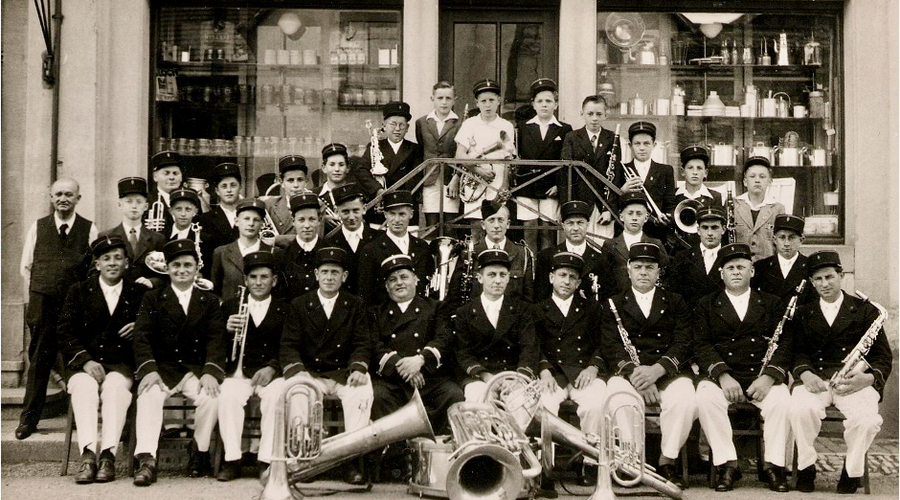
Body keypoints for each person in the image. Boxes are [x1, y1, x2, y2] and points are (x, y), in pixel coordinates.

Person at [789, 251, 893, 494]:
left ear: (841, 275)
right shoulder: (804, 312)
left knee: (867, 420)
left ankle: (851, 470)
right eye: (818, 280)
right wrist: (805, 374)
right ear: (812, 283)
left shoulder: (866, 311)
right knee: (799, 409)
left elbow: (883, 356)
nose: (824, 284)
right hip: (816, 379)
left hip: (853, 381)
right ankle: (806, 467)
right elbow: (797, 352)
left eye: (829, 277)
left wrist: (868, 378)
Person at [693, 243, 793, 492]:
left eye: (741, 267)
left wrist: (770, 377)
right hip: (722, 376)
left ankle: (773, 466)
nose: (736, 271)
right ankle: (728, 463)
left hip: (761, 376)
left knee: (782, 402)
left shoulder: (771, 303)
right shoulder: (706, 304)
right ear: (721, 273)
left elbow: (786, 344)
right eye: (730, 267)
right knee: (705, 399)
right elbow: (701, 345)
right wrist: (723, 375)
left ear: (752, 271)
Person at [131, 239, 225, 486]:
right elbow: (141, 337)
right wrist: (149, 370)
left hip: (194, 370)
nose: (182, 270)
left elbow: (217, 340)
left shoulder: (210, 300)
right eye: (176, 265)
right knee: (148, 395)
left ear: (196, 269)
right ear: (167, 269)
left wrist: (210, 371)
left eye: (187, 265)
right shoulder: (152, 298)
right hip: (163, 369)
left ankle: (199, 451)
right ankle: (147, 460)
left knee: (212, 397)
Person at [600, 243, 695, 489]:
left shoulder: (677, 301)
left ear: (658, 272)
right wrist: (637, 376)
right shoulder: (613, 303)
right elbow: (611, 346)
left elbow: (684, 343)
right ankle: (632, 461)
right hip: (631, 373)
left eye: (649, 267)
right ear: (628, 270)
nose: (643, 272)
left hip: (666, 372)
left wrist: (656, 371)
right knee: (618, 397)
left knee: (685, 398)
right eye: (638, 267)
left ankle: (667, 459)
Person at [280, 246, 373, 485]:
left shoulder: (355, 304)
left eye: (335, 272)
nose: (329, 277)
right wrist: (298, 371)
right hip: (311, 372)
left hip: (344, 371)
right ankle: (305, 459)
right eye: (325, 271)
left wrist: (359, 368)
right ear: (316, 275)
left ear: (344, 277)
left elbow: (363, 341)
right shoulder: (300, 304)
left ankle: (351, 460)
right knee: (299, 392)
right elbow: (289, 345)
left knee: (362, 393)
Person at [57, 236, 145, 483]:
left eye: (118, 258)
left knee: (116, 389)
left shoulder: (138, 292)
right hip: (85, 363)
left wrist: (139, 326)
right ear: (97, 264)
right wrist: (84, 360)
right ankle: (87, 455)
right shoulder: (79, 291)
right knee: (84, 388)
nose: (112, 263)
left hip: (120, 364)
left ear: (127, 263)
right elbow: (64, 332)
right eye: (106, 258)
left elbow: (154, 329)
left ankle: (107, 455)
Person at [17, 178, 98, 440]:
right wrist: (40, 294)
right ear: (51, 197)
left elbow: (92, 271)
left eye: (69, 194)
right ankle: (29, 420)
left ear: (78, 198)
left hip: (74, 305)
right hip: (43, 303)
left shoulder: (89, 229)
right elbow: (26, 267)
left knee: (74, 356)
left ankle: (78, 416)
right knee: (40, 359)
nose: (63, 198)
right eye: (58, 194)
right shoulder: (38, 227)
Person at [533, 252, 606, 492]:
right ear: (551, 277)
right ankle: (545, 467)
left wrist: (594, 367)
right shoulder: (537, 309)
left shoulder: (592, 308)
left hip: (582, 372)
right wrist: (543, 369)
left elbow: (603, 344)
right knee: (542, 407)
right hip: (552, 374)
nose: (566, 281)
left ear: (578, 283)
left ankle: (590, 462)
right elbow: (533, 345)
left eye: (572, 277)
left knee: (596, 403)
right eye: (561, 275)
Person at [369, 254, 463, 435]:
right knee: (378, 396)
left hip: (429, 377)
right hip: (393, 380)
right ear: (387, 286)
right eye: (392, 280)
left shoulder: (436, 307)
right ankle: (394, 456)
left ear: (416, 279)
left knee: (453, 395)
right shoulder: (376, 312)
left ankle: (436, 453)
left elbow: (444, 339)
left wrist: (420, 361)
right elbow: (374, 345)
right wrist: (402, 367)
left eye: (404, 277)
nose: (399, 283)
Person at [216, 251, 286, 481]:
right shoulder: (229, 307)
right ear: (245, 280)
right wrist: (226, 332)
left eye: (264, 277)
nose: (258, 282)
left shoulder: (286, 308)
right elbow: (215, 345)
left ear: (273, 281)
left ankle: (265, 460)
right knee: (227, 396)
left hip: (271, 374)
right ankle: (232, 459)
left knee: (276, 398)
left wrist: (273, 367)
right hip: (239, 372)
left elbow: (290, 344)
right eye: (253, 277)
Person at [452, 249, 538, 403]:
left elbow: (529, 348)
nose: (497, 280)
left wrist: (518, 378)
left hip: (513, 376)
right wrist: (486, 377)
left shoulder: (522, 310)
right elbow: (463, 353)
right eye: (491, 275)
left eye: (502, 275)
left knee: (521, 402)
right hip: (479, 376)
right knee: (480, 398)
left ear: (508, 278)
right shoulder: (464, 312)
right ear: (480, 278)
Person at [514, 78, 572, 252]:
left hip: (550, 188)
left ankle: (546, 273)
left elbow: (566, 161)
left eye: (549, 101)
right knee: (529, 231)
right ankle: (529, 274)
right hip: (527, 185)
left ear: (556, 104)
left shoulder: (564, 129)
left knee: (548, 232)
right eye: (540, 101)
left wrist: (558, 185)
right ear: (533, 104)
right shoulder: (523, 127)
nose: (544, 105)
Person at [453, 79, 516, 235]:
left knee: (497, 226)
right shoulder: (469, 124)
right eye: (483, 101)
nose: (488, 105)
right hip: (474, 179)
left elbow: (509, 158)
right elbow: (459, 155)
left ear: (499, 101)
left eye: (491, 100)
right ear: (477, 103)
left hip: (498, 179)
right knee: (477, 228)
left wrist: (505, 185)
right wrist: (478, 170)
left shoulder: (506, 125)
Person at [447, 200, 534, 309]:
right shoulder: (469, 253)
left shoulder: (522, 254)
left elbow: (528, 300)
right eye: (491, 220)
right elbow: (454, 297)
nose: (496, 225)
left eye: (501, 220)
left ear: (508, 224)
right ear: (483, 225)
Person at [560, 95, 622, 239]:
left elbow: (615, 176)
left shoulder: (612, 138)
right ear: (582, 114)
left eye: (599, 114)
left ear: (605, 115)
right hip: (579, 203)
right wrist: (567, 208)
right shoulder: (571, 137)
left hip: (602, 205)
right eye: (590, 114)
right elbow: (565, 175)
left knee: (603, 246)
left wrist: (610, 209)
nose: (594, 118)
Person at [357, 190, 433, 306]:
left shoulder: (422, 247)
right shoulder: (371, 249)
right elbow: (366, 295)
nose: (397, 220)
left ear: (411, 214)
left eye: (402, 214)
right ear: (385, 215)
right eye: (392, 214)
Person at [359, 101, 425, 228]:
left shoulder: (415, 149)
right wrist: (378, 190)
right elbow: (362, 170)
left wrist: (397, 198)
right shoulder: (374, 146)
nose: (397, 129)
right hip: (379, 208)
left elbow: (415, 178)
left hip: (404, 207)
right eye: (393, 124)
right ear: (384, 125)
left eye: (402, 125)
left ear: (407, 128)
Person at [534, 200, 615, 302]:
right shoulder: (547, 256)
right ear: (563, 225)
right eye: (570, 223)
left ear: (587, 225)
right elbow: (540, 298)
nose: (575, 228)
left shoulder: (600, 259)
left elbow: (605, 298)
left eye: (580, 223)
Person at [98, 177, 166, 287]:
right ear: (120, 204)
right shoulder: (106, 236)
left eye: (139, 202)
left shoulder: (157, 239)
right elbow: (94, 272)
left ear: (146, 206)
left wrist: (152, 282)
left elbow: (165, 274)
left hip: (146, 297)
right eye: (129, 201)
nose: (134, 206)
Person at [416, 82, 462, 239]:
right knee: (431, 225)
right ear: (432, 98)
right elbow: (423, 147)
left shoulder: (460, 123)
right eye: (440, 97)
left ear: (454, 100)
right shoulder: (422, 123)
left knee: (450, 226)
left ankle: (450, 261)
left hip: (450, 180)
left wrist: (457, 176)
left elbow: (461, 152)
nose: (444, 102)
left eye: (448, 98)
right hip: (430, 178)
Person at [211, 198, 280, 302]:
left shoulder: (274, 253)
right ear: (236, 221)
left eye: (256, 220)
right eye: (246, 219)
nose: (251, 223)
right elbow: (215, 290)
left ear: (262, 224)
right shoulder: (221, 253)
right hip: (230, 314)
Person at [620, 121, 676, 243]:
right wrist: (623, 191)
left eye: (646, 143)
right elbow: (613, 203)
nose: (642, 148)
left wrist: (667, 218)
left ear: (654, 144)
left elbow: (670, 204)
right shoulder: (621, 169)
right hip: (628, 233)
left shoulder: (665, 170)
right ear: (630, 146)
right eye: (637, 144)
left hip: (656, 233)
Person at [601, 192, 668, 295]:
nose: (634, 218)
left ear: (646, 218)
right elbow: (605, 280)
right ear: (621, 216)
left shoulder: (655, 244)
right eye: (630, 213)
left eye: (639, 214)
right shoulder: (610, 245)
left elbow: (665, 275)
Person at [323, 184, 382, 296]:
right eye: (345, 212)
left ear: (364, 209)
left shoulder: (379, 238)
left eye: (356, 211)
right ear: (337, 211)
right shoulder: (329, 243)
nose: (351, 217)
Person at [668, 206, 726, 310]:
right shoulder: (682, 257)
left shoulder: (729, 257)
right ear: (698, 230)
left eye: (714, 227)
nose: (709, 233)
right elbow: (675, 296)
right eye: (705, 227)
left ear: (723, 229)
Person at [752, 214, 815, 305]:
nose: (786, 243)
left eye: (792, 238)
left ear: (801, 240)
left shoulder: (810, 266)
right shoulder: (761, 267)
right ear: (774, 240)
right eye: (782, 237)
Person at [733, 156, 785, 262]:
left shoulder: (777, 208)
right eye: (752, 176)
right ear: (745, 182)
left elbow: (780, 243)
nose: (757, 180)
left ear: (770, 182)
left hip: (768, 267)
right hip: (739, 266)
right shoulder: (733, 205)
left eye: (762, 177)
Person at [199, 163, 243, 277]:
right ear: (217, 191)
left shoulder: (248, 216)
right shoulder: (205, 220)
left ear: (240, 187)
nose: (229, 190)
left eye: (233, 185)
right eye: (224, 186)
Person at [278, 193, 325, 298]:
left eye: (312, 219)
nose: (307, 225)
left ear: (319, 220)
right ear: (293, 221)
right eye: (301, 220)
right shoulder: (283, 256)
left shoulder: (328, 251)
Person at [674, 146, 723, 246]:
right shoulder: (673, 196)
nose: (695, 172)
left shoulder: (715, 197)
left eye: (699, 168)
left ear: (705, 173)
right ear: (683, 172)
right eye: (690, 168)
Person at [263, 155, 311, 235]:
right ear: (281, 182)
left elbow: (312, 238)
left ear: (306, 181)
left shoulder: (318, 205)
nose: (296, 185)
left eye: (300, 180)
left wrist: (276, 240)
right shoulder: (269, 204)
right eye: (290, 180)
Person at [316, 143, 354, 232]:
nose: (337, 169)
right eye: (332, 164)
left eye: (341, 165)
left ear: (348, 168)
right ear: (324, 168)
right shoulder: (314, 195)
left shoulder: (357, 193)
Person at [147, 151, 185, 236]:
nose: (171, 177)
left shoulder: (191, 199)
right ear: (155, 177)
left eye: (175, 173)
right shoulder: (147, 200)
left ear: (181, 177)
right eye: (166, 173)